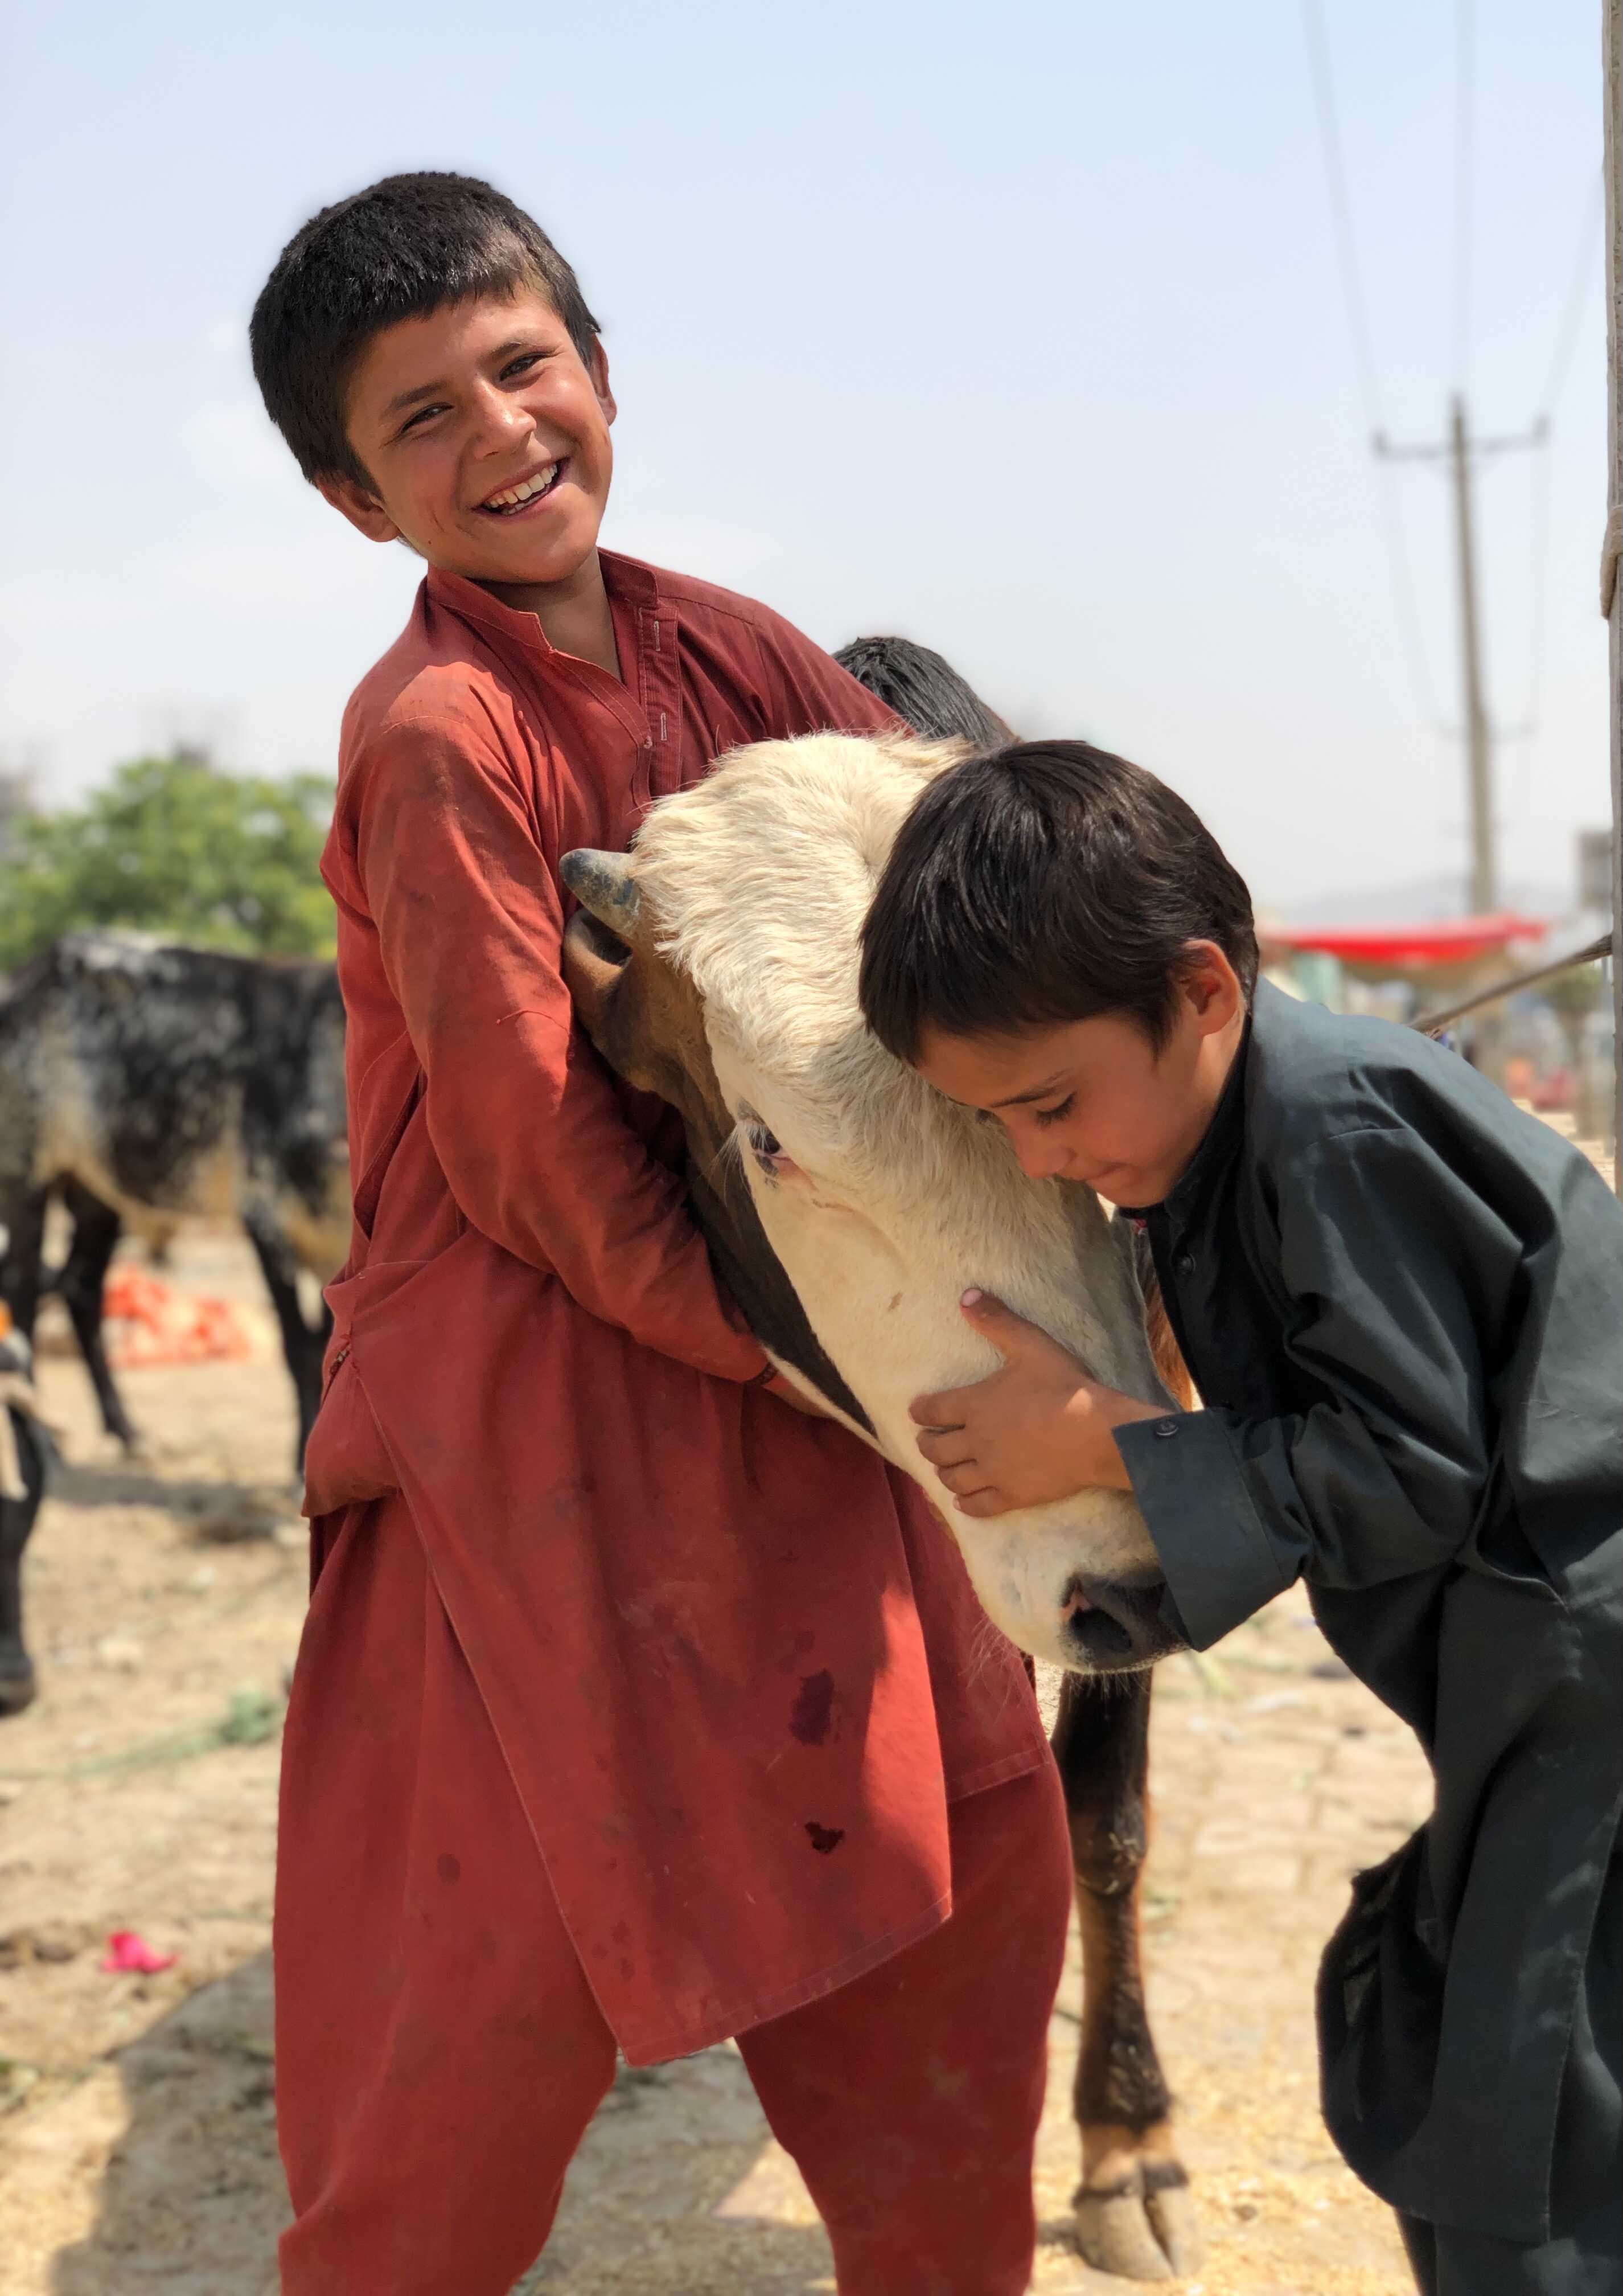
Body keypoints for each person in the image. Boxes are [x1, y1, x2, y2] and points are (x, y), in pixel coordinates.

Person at [248, 172, 1069, 2295]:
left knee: (960, 1894)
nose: (501, 430)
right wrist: (806, 1352)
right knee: (476, 2015)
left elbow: (923, 961)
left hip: (810, 1346)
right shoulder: (440, 737)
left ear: (600, 373)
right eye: (421, 418)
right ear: (356, 503)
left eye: (525, 367)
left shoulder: (756, 651)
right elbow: (528, 1153)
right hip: (543, 1407)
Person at [857, 735, 1623, 2296]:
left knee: (1517, 2134)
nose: (1041, 1158)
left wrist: (1105, 1443)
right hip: (1525, 1677)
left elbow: (1408, 1473)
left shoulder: (1332, 1130)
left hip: (1581, 1668)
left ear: (1201, 988)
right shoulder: (1221, 1136)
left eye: (1052, 1103)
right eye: (996, 1128)